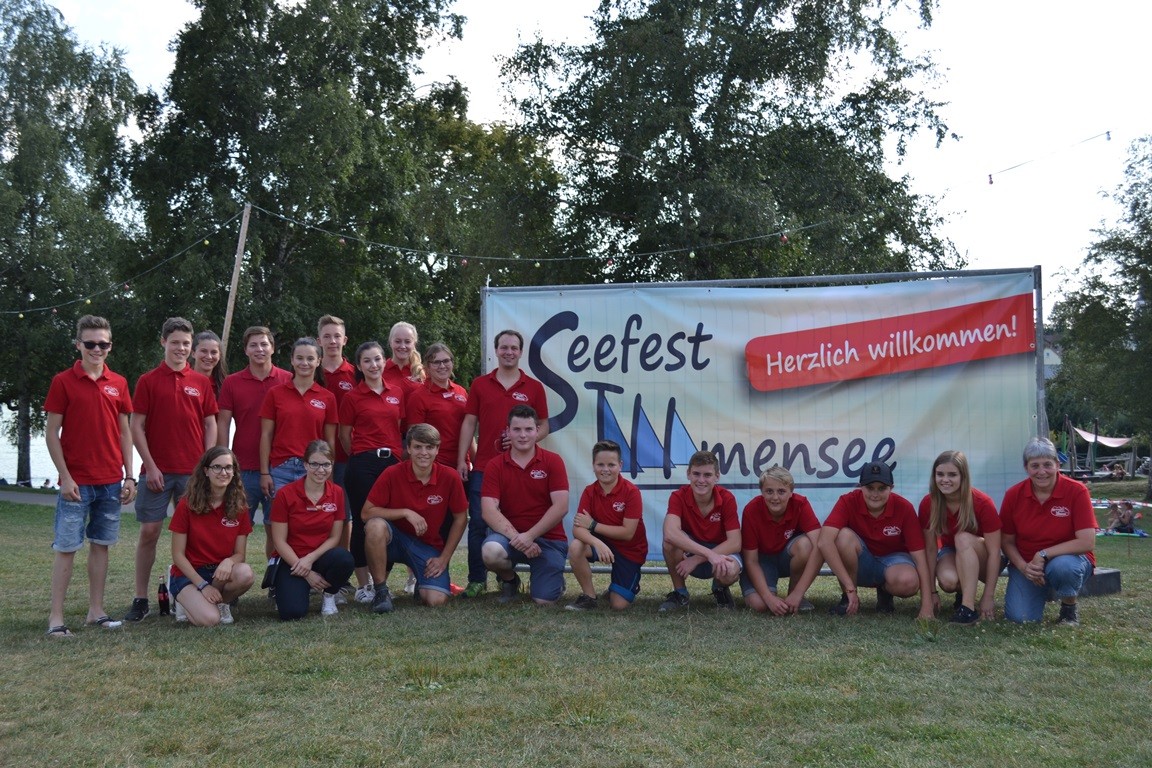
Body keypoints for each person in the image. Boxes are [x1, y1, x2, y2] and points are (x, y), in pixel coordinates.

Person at [44, 315, 136, 637]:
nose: (97, 349)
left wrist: (130, 476)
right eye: (91, 343)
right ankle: (56, 619)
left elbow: (125, 432)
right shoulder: (63, 381)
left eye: (103, 344)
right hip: (76, 483)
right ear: (78, 345)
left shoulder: (119, 383)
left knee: (101, 546)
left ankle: (96, 612)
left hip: (111, 481)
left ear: (110, 346)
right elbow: (51, 433)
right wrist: (65, 476)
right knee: (67, 547)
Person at [124, 317, 219, 622]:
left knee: (196, 537)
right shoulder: (148, 380)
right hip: (156, 472)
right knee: (149, 532)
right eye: (175, 342)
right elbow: (136, 426)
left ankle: (192, 595)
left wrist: (205, 465)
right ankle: (140, 598)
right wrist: (151, 466)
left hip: (193, 474)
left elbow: (210, 424)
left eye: (186, 344)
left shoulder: (201, 382)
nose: (180, 348)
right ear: (163, 342)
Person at [457, 330, 550, 598]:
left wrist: (526, 441)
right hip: (484, 466)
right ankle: (477, 580)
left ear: (521, 352)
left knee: (518, 519)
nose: (509, 352)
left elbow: (544, 425)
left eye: (514, 348)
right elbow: (469, 423)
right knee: (478, 523)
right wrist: (462, 458)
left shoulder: (534, 387)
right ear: (496, 350)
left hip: (521, 469)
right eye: (504, 347)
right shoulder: (480, 384)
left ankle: (511, 575)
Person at [362, 423, 468, 611]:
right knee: (375, 525)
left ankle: (422, 582)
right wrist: (405, 512)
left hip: (427, 546)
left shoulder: (450, 476)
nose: (423, 453)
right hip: (395, 540)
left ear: (437, 449)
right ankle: (381, 592)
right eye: (418, 447)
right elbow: (366, 513)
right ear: (409, 449)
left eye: (429, 447)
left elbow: (461, 518)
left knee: (436, 600)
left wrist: (444, 558)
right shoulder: (392, 473)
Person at [1000, 437, 1095, 625]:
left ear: (1057, 465)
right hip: (1029, 565)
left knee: (1063, 568)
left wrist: (1043, 554)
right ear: (1026, 468)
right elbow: (1006, 541)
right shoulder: (1013, 495)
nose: (1041, 471)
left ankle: (1068, 609)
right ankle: (1043, 588)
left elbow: (1087, 542)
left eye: (1047, 465)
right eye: (1035, 466)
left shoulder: (1077, 491)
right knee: (1021, 618)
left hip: (1068, 561)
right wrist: (1024, 568)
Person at [819, 461, 933, 618]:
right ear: (860, 487)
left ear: (891, 488)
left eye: (882, 488)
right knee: (843, 537)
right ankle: (847, 598)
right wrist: (849, 588)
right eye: (870, 487)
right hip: (862, 563)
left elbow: (920, 558)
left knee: (909, 582)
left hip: (893, 562)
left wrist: (927, 606)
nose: (875, 494)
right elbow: (824, 541)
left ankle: (885, 591)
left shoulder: (904, 507)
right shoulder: (847, 501)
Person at [480, 405, 569, 605]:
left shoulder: (553, 461)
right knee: (491, 551)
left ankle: (551, 577)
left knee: (543, 601)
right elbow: (488, 511)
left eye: (528, 429)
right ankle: (510, 580)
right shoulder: (495, 465)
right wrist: (519, 538)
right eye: (517, 429)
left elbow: (561, 506)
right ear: (508, 431)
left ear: (537, 431)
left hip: (549, 540)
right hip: (510, 539)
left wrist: (530, 536)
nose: (523, 435)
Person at [217, 326, 293, 557]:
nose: (259, 349)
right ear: (246, 350)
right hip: (243, 468)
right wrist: (223, 460)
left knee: (277, 529)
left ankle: (274, 574)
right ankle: (233, 574)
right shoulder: (232, 382)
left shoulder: (287, 379)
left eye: (264, 344)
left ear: (273, 348)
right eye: (253, 345)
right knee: (236, 527)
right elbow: (223, 423)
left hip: (279, 467)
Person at [339, 340, 404, 603]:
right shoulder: (352, 397)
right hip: (363, 465)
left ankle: (382, 583)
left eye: (377, 359)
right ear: (359, 365)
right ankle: (364, 585)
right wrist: (361, 455)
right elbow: (345, 436)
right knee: (363, 521)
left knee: (389, 522)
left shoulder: (397, 392)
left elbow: (399, 427)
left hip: (392, 464)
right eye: (367, 360)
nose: (373, 365)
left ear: (384, 361)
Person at [268, 441, 355, 619]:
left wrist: (310, 559)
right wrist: (306, 572)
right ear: (305, 464)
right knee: (292, 613)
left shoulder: (337, 492)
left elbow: (335, 537)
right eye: (314, 464)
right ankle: (291, 588)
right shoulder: (285, 494)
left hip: (320, 557)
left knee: (344, 558)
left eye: (326, 464)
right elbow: (279, 541)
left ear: (332, 465)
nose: (320, 470)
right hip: (292, 560)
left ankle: (329, 595)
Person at [168, 446, 255, 626]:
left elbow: (240, 554)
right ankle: (182, 601)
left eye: (228, 467)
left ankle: (221, 603)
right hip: (190, 573)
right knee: (210, 619)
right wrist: (202, 585)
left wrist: (229, 561)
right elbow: (178, 555)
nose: (223, 472)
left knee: (245, 573)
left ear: (234, 472)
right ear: (206, 471)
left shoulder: (239, 507)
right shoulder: (187, 504)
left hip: (218, 573)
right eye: (217, 467)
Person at [918, 450, 1001, 625]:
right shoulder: (928, 503)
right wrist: (932, 592)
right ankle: (963, 594)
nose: (945, 479)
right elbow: (931, 550)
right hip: (952, 552)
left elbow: (994, 553)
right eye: (940, 474)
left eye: (952, 475)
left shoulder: (982, 503)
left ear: (963, 476)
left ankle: (968, 609)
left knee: (962, 538)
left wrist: (988, 596)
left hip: (984, 556)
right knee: (948, 581)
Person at [566, 440, 647, 611]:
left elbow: (628, 533)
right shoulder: (589, 491)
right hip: (602, 544)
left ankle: (621, 587)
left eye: (611, 465)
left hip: (629, 551)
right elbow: (577, 529)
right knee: (576, 546)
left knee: (618, 605)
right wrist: (597, 543)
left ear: (620, 465)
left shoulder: (632, 492)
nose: (605, 469)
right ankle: (589, 597)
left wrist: (593, 525)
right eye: (600, 464)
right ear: (593, 465)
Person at [659, 450, 742, 611]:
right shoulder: (678, 496)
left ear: (717, 476)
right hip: (695, 553)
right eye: (696, 474)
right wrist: (708, 554)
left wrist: (697, 559)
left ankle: (719, 589)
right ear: (688, 474)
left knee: (730, 570)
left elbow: (735, 542)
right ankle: (680, 593)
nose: (701, 480)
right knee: (669, 543)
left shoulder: (727, 498)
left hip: (717, 554)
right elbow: (670, 533)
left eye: (707, 475)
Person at [259, 337, 337, 498]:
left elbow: (330, 441)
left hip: (314, 469)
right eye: (299, 358)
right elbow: (266, 434)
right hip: (280, 468)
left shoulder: (328, 398)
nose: (304, 363)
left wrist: (328, 472)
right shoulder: (275, 393)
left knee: (310, 514)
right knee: (279, 514)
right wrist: (264, 472)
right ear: (292, 360)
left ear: (318, 361)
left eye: (310, 358)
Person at [739, 466, 823, 615]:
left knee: (806, 545)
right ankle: (770, 594)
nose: (775, 497)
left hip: (786, 558)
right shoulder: (751, 510)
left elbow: (820, 545)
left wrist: (798, 593)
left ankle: (795, 595)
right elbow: (751, 560)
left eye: (781, 491)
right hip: (761, 561)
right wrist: (768, 598)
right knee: (760, 605)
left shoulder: (800, 504)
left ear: (791, 492)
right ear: (762, 492)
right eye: (769, 491)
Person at [407, 342, 469, 473]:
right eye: (436, 362)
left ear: (452, 363)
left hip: (462, 464)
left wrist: (471, 460)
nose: (442, 366)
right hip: (435, 465)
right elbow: (415, 438)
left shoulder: (461, 391)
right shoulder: (418, 396)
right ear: (427, 367)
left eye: (446, 361)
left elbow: (469, 429)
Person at [383, 320, 425, 396]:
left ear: (414, 344)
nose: (402, 346)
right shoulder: (380, 370)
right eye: (398, 341)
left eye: (407, 342)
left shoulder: (422, 372)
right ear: (390, 342)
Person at [191, 330, 227, 396]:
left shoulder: (225, 386)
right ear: (193, 353)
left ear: (219, 356)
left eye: (213, 352)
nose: (209, 357)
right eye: (204, 351)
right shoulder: (182, 380)